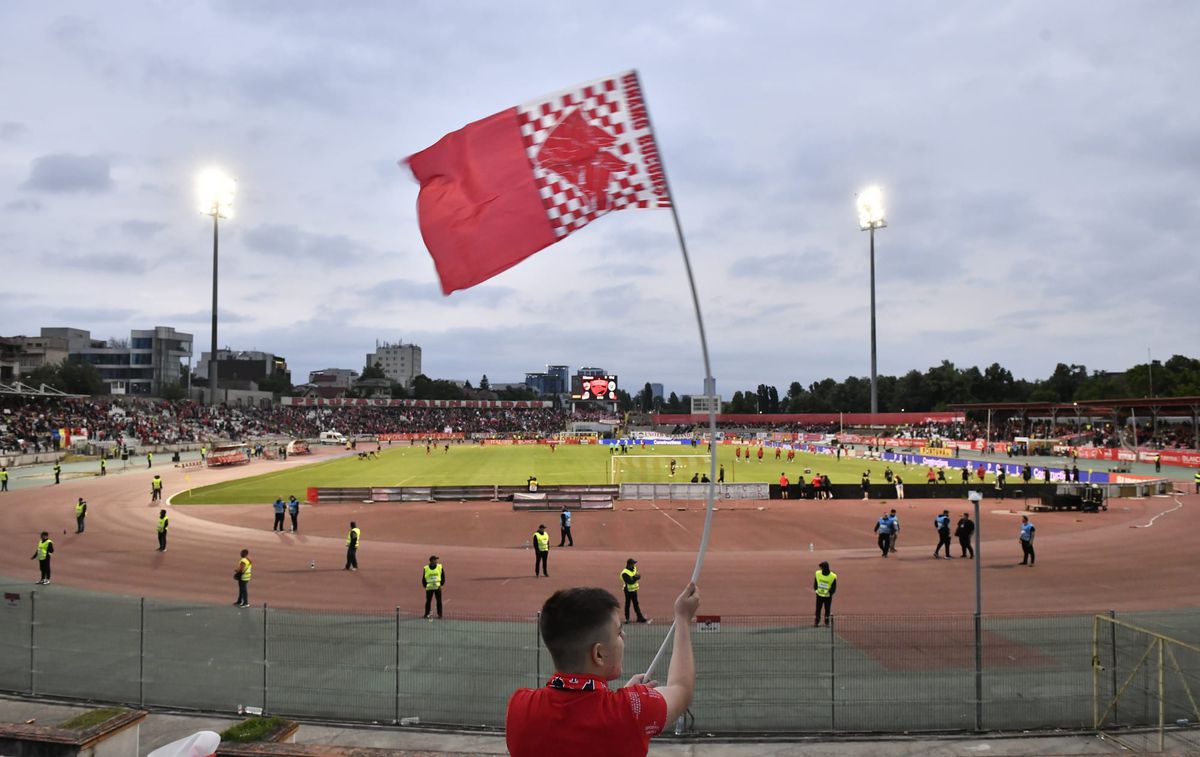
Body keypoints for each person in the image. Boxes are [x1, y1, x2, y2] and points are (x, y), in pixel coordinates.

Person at [505, 583, 700, 757]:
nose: (624, 636)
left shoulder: (519, 707)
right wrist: (682, 619)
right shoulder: (633, 709)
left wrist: (617, 700)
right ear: (598, 654)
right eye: (617, 632)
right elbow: (681, 689)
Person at [620, 558, 648, 623]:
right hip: (628, 590)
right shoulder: (625, 573)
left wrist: (635, 577)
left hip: (634, 590)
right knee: (628, 604)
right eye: (633, 564)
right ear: (629, 564)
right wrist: (635, 578)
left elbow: (638, 575)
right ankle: (627, 619)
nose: (634, 565)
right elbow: (630, 581)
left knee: (636, 604)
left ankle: (640, 618)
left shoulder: (634, 568)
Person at [813, 561, 837, 627]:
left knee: (827, 609)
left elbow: (834, 587)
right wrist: (816, 589)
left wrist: (830, 592)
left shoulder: (832, 576)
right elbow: (815, 582)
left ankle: (827, 622)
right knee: (818, 609)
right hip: (819, 595)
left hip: (828, 596)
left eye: (822, 567)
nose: (821, 569)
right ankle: (817, 621)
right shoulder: (818, 573)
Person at [422, 555, 444, 619]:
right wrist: (424, 585)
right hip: (429, 587)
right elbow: (424, 577)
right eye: (435, 560)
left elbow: (442, 576)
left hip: (437, 587)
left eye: (436, 560)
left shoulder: (440, 567)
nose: (436, 561)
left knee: (439, 601)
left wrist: (441, 584)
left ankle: (440, 614)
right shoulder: (426, 568)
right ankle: (426, 613)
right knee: (428, 601)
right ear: (431, 561)